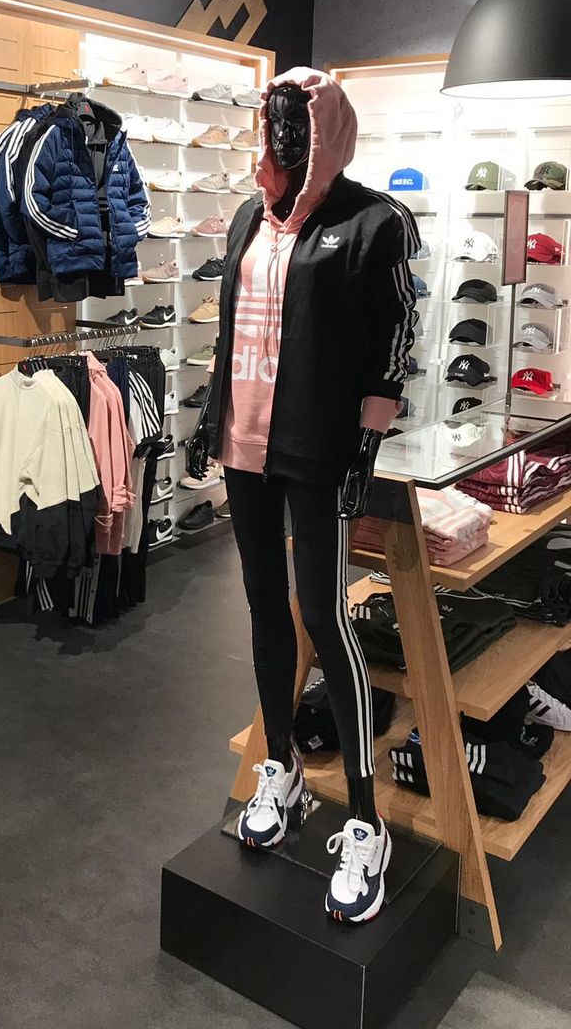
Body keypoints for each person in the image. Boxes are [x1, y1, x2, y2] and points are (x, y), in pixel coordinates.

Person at [187, 67, 419, 923]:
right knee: (263, 606)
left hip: (317, 448)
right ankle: (279, 765)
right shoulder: (249, 218)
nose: (276, 144)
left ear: (326, 135)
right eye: (271, 126)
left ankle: (365, 820)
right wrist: (212, 416)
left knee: (324, 616)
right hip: (245, 442)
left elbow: (396, 334)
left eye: (294, 129)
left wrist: (367, 439)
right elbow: (231, 329)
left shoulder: (373, 221)